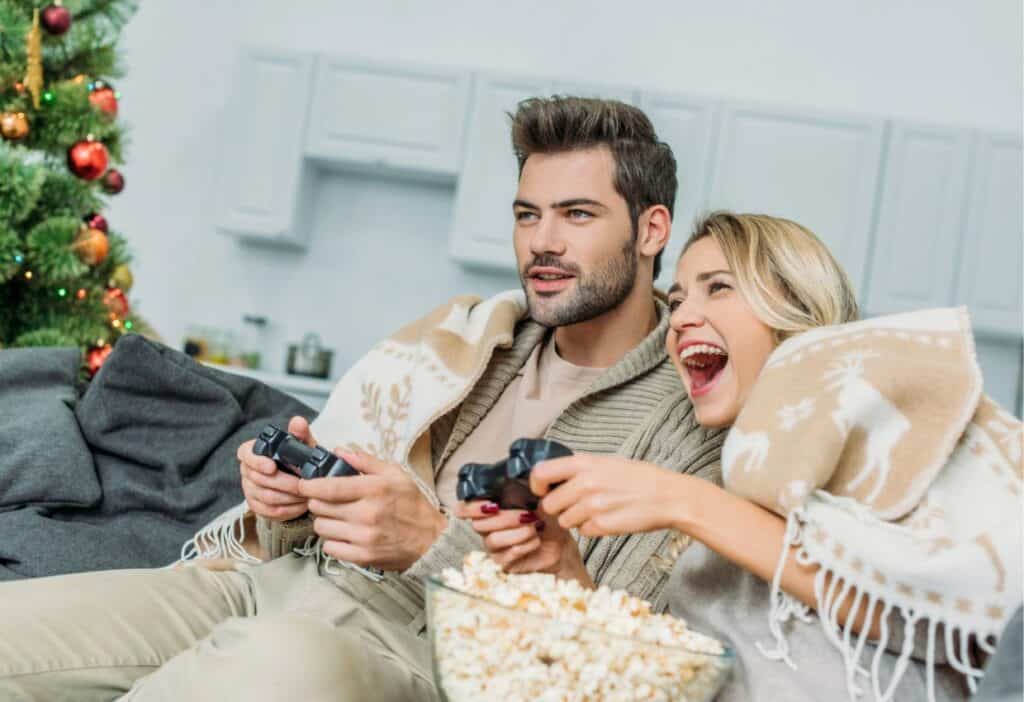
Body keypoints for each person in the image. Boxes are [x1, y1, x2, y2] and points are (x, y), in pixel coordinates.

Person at [0, 96, 725, 701]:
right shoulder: (470, 343)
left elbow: (616, 645)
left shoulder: (687, 417)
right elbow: (314, 526)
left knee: (269, 667)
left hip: (416, 658)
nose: (542, 242)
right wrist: (287, 504)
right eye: (527, 214)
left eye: (577, 214)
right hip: (271, 586)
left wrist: (433, 546)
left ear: (650, 230)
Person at [461, 211, 1018, 701]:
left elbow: (944, 617)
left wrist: (679, 500)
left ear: (796, 310)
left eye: (718, 288)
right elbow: (659, 682)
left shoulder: (881, 426)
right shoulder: (723, 504)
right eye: (676, 300)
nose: (678, 319)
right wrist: (563, 569)